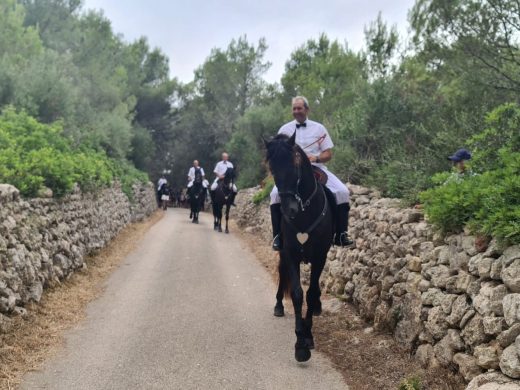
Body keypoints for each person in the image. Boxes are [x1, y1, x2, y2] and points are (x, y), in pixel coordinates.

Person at [270, 96, 354, 251]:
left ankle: (341, 234)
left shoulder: (319, 128)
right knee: (274, 195)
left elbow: (328, 154)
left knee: (342, 192)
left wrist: (315, 157)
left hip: (317, 168)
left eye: (299, 108)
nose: (296, 111)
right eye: (294, 109)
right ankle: (277, 236)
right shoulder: (284, 130)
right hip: (292, 173)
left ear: (307, 110)